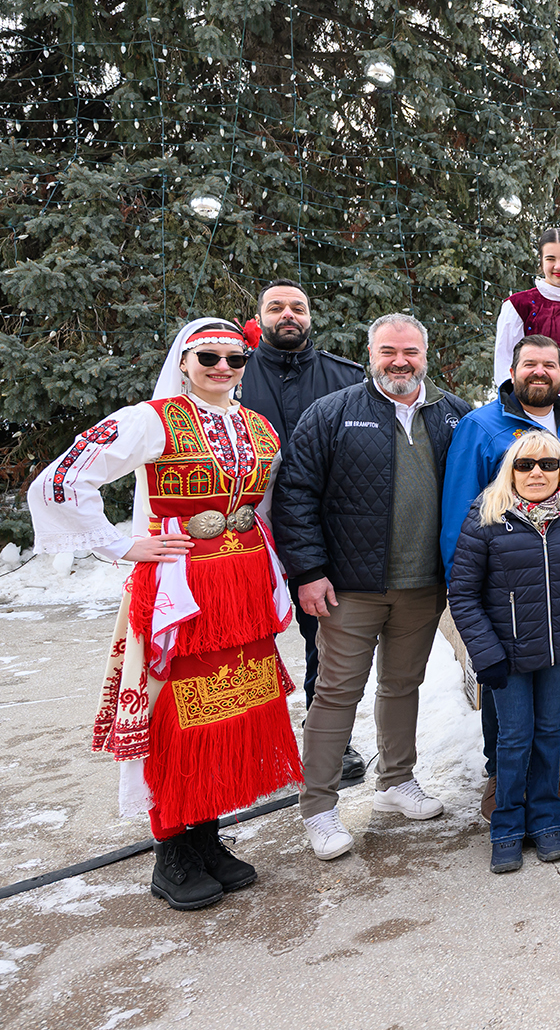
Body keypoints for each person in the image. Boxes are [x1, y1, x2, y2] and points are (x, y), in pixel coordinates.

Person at [30, 319, 302, 911]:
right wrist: (120, 544)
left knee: (229, 710)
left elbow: (269, 505)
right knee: (175, 711)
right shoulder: (150, 419)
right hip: (182, 590)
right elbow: (61, 480)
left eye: (235, 358)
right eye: (209, 356)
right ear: (183, 360)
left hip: (246, 584)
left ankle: (207, 836)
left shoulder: (258, 426)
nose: (223, 367)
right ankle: (171, 847)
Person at [273, 313, 472, 861]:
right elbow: (295, 496)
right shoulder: (332, 414)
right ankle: (318, 807)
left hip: (423, 584)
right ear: (370, 353)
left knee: (401, 685)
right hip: (349, 588)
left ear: (426, 355)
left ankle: (395, 781)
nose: (399, 362)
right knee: (336, 694)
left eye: (409, 351)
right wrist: (309, 573)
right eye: (388, 351)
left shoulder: (454, 415)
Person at [447, 431, 560, 874]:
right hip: (506, 653)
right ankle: (506, 824)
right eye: (525, 465)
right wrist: (485, 653)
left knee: (548, 733)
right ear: (511, 470)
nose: (536, 473)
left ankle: (545, 818)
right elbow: (463, 594)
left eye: (547, 464)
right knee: (513, 738)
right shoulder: (485, 516)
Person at [441, 334, 560, 817]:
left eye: (550, 364)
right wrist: (459, 588)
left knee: (545, 700)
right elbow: (457, 515)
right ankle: (498, 776)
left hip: (558, 581)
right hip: (498, 588)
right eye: (530, 364)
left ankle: (544, 781)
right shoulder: (480, 426)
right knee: (501, 682)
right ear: (512, 369)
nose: (539, 372)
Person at [235, 280, 366, 782]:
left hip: (323, 534)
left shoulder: (343, 377)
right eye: (276, 307)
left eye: (297, 307)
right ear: (260, 316)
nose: (287, 315)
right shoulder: (232, 375)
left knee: (325, 641)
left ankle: (329, 739)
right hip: (250, 536)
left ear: (310, 317)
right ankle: (246, 739)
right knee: (245, 642)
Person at [491, 227, 560, 409]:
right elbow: (505, 366)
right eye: (551, 259)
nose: (558, 266)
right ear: (541, 262)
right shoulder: (519, 305)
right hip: (532, 410)